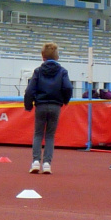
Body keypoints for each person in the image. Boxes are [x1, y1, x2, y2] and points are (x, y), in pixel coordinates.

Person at [24, 42, 73, 175]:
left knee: (38, 133)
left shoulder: (38, 71)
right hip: (55, 105)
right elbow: (68, 87)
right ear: (57, 57)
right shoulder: (62, 71)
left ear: (43, 57)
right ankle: (46, 163)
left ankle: (35, 161)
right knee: (50, 135)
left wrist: (28, 105)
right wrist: (65, 100)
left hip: (40, 105)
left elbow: (29, 90)